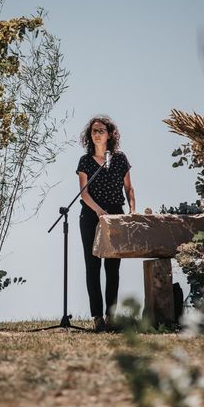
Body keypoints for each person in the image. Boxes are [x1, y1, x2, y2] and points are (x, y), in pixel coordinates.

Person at [77, 116, 135, 332]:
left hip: (115, 216)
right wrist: (98, 210)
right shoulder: (85, 161)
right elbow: (84, 193)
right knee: (92, 267)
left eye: (101, 130)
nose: (96, 134)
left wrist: (131, 210)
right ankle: (97, 317)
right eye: (93, 131)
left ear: (110, 134)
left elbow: (129, 188)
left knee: (113, 268)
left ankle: (112, 316)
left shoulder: (120, 159)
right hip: (91, 215)